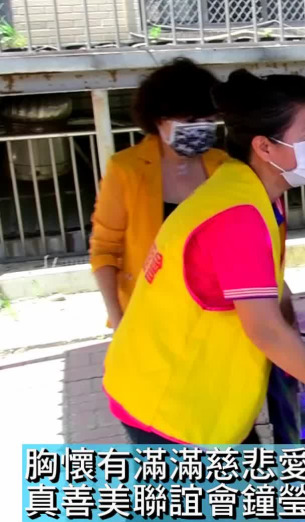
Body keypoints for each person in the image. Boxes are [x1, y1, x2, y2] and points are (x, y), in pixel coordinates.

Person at [103, 69, 305, 522]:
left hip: (157, 385)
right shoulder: (238, 214)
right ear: (265, 147)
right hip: (173, 405)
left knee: (155, 519)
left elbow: (263, 285)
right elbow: (264, 328)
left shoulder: (248, 190)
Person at [90, 58, 228, 329]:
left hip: (214, 312)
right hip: (148, 313)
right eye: (191, 120)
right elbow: (105, 250)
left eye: (209, 119)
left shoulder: (225, 167)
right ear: (159, 120)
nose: (201, 127)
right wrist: (118, 319)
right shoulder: (126, 169)